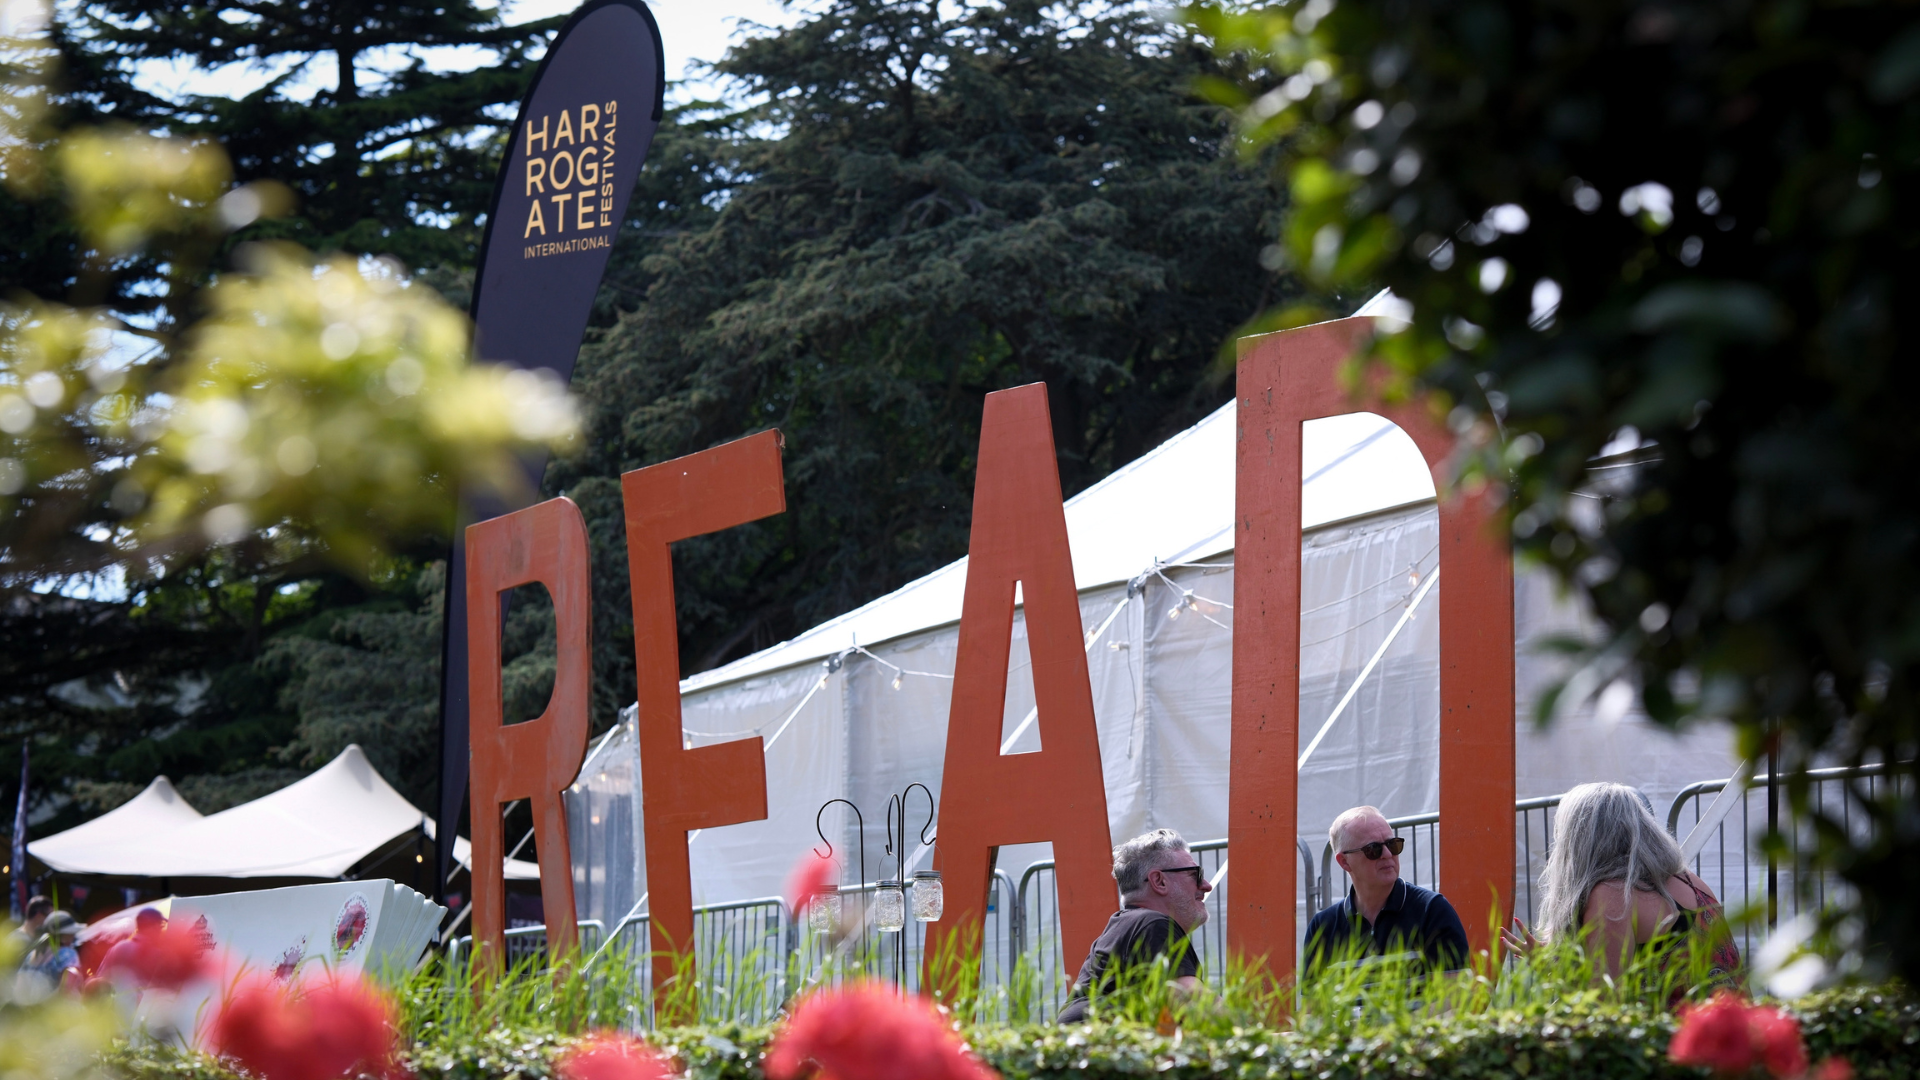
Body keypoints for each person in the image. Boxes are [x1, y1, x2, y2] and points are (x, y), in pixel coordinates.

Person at [1501, 782, 1740, 992]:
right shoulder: (1689, 880)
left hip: (1674, 1040)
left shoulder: (1613, 895)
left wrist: (1551, 972)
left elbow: (1603, 1009)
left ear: (1577, 843)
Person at [1056, 828, 1212, 1023]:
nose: (1206, 885)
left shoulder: (1130, 926)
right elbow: (1195, 1004)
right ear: (1159, 881)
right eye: (1195, 874)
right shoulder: (1153, 924)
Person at [1304, 806, 1468, 974]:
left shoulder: (1432, 911)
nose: (1388, 854)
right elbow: (1315, 1001)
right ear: (1344, 862)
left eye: (1393, 844)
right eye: (1373, 849)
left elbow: (1454, 997)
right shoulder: (1322, 928)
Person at [22, 910, 81, 991]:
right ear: (62, 935)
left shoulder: (31, 955)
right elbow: (69, 990)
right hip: (55, 1003)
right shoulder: (68, 954)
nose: (73, 935)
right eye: (70, 932)